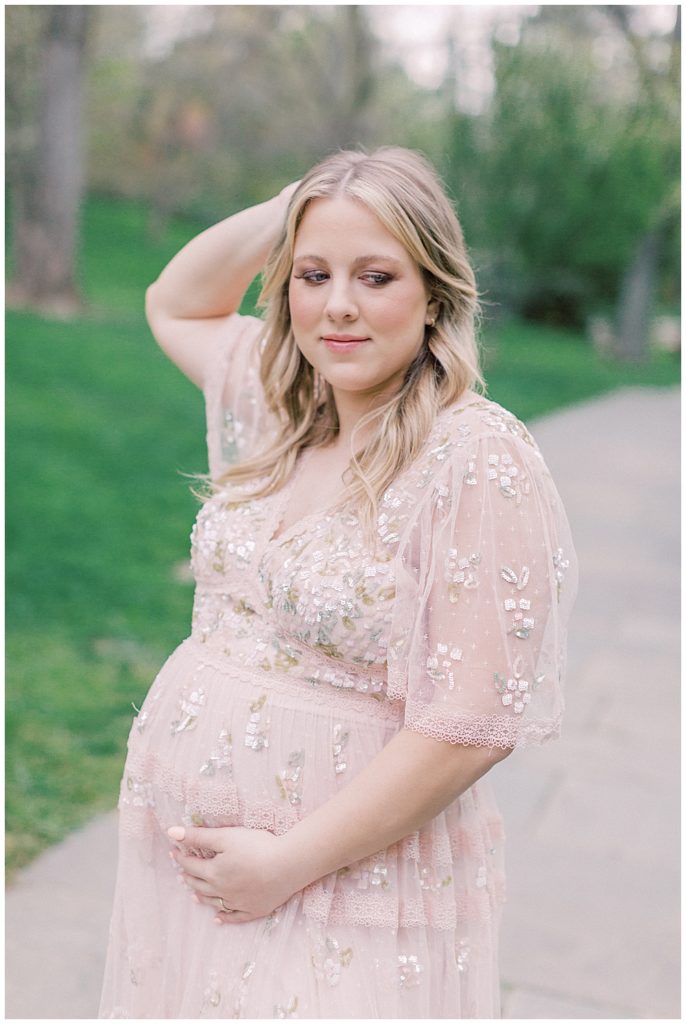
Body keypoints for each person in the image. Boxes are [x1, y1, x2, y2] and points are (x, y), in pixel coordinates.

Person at [99, 147, 577, 1019]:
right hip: (190, 878)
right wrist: (304, 199)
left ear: (434, 294)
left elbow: (472, 723)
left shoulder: (475, 453)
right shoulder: (283, 405)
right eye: (313, 274)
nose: (340, 305)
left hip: (342, 884)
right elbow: (173, 301)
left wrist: (288, 864)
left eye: (376, 274)